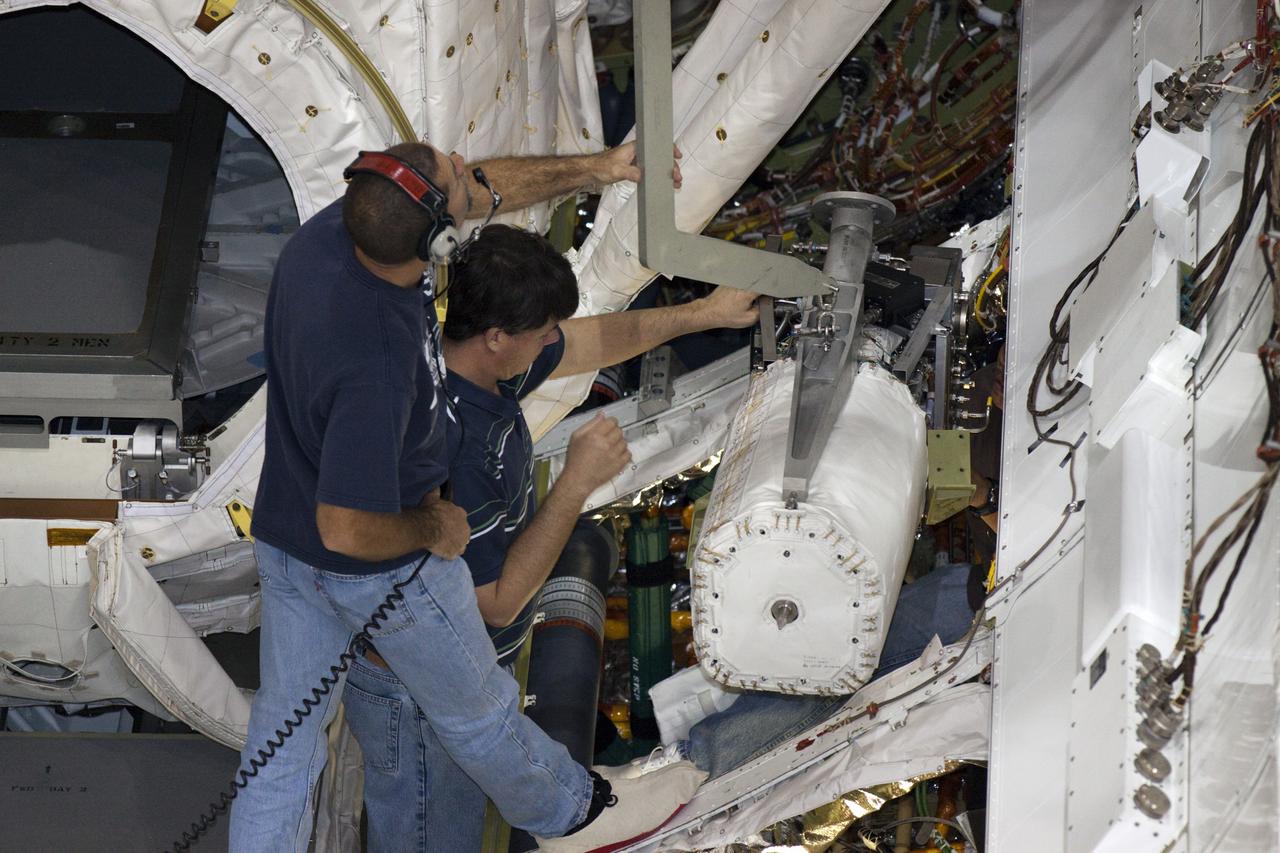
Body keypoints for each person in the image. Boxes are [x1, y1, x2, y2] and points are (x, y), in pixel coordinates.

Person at [229, 142, 705, 853]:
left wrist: (600, 167)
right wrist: (431, 525)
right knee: (477, 710)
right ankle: (572, 815)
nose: (465, 167)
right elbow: (347, 529)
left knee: (283, 742)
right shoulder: (378, 362)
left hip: (283, 540)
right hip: (371, 560)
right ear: (436, 238)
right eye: (455, 179)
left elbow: (480, 188)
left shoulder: (335, 234)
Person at [341, 223, 761, 851]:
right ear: (495, 338)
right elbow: (498, 601)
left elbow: (589, 341)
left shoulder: (463, 355)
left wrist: (704, 314)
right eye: (540, 332)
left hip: (463, 668)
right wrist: (575, 484)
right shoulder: (453, 450)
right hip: (417, 697)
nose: (551, 342)